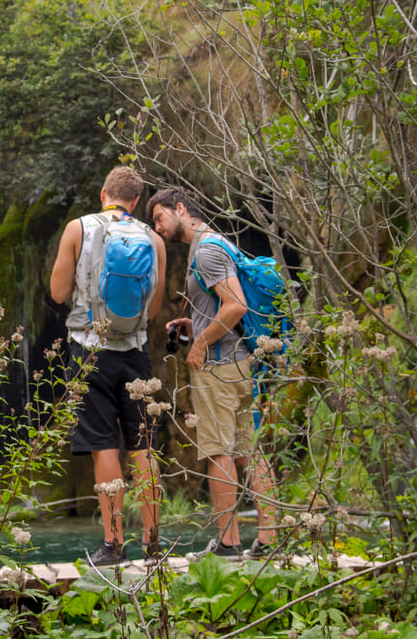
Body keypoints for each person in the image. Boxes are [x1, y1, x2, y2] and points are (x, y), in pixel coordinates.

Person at [146, 187, 279, 560]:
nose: (158, 228)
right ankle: (269, 538)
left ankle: (228, 543)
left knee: (218, 451)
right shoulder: (215, 245)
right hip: (238, 361)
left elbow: (234, 305)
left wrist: (201, 341)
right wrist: (194, 323)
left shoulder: (205, 249)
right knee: (247, 450)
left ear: (181, 208)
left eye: (159, 218)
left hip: (219, 366)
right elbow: (223, 304)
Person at [49, 166, 166, 565]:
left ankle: (113, 545)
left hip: (89, 350)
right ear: (136, 201)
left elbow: (58, 291)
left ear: (104, 193)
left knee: (103, 445)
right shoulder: (153, 239)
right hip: (135, 350)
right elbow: (153, 306)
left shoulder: (77, 228)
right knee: (143, 445)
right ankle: (153, 544)